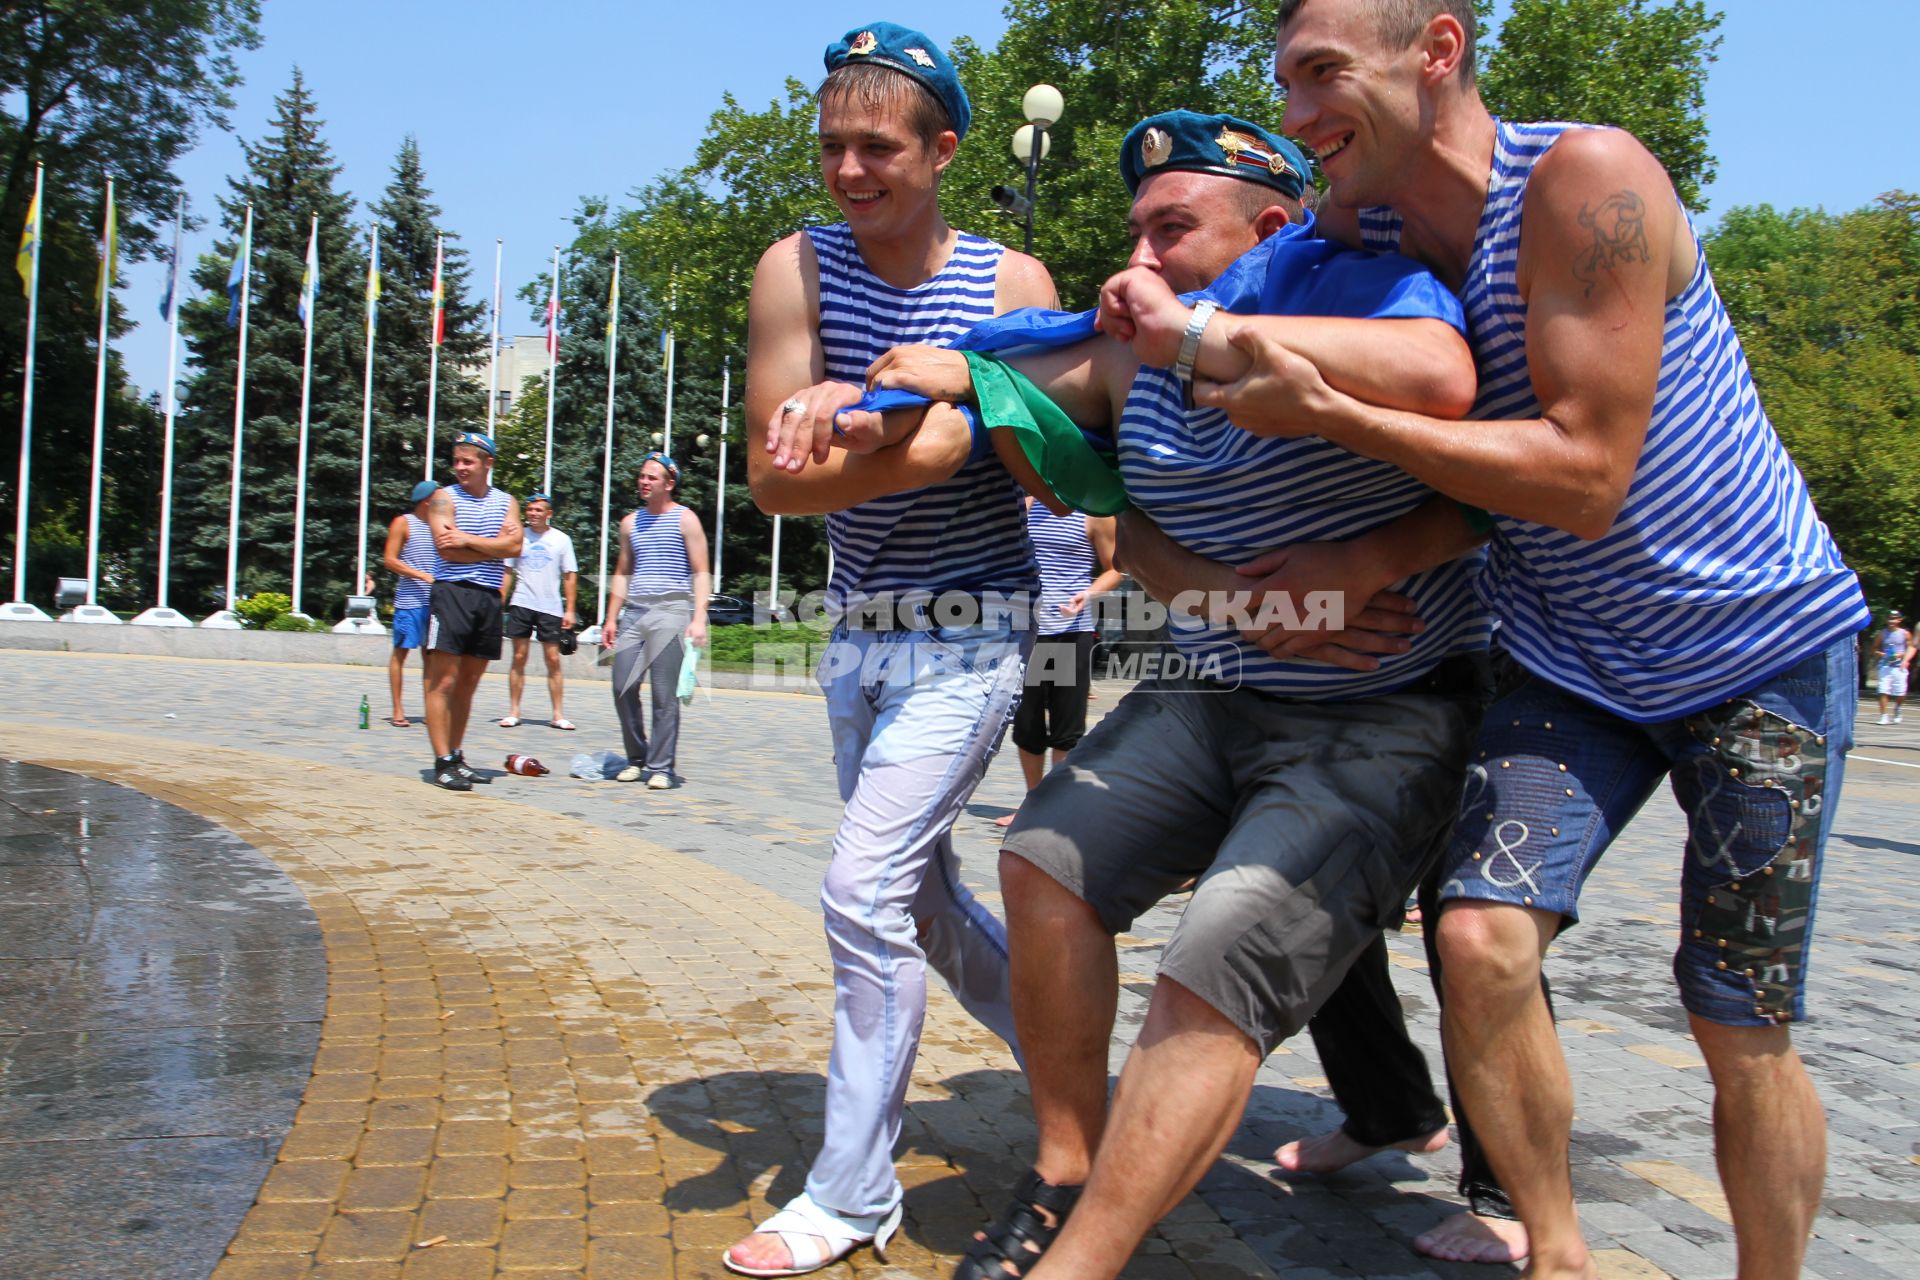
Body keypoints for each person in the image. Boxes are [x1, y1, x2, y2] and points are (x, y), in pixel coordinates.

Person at [1198, 7, 1872, 1278]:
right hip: (1570, 656)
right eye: (1286, 82)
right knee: (1478, 943)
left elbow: (1583, 475)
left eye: (1322, 76)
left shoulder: (1588, 178)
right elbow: (1204, 312)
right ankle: (1555, 1251)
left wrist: (1334, 408)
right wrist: (976, 373)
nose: (1294, 118)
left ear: (1436, 51)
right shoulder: (1370, 223)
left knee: (1738, 1022)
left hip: (1758, 650)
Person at [869, 108, 1494, 1280]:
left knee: (1217, 961)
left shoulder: (1366, 292)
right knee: (1042, 860)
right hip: (1214, 688)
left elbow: (1445, 378)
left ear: (1270, 229)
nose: (1141, 258)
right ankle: (1064, 1167)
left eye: (1174, 228)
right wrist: (885, 393)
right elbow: (1035, 413)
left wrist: (1201, 332)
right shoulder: (1129, 344)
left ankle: (1084, 1260)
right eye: (1136, 230)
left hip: (1384, 706)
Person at [721, 21, 1058, 1277]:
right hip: (860, 634)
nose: (848, 170)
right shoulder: (792, 268)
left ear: (945, 149)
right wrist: (913, 418)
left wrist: (851, 419)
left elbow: (992, 459)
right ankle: (1065, 1045)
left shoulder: (1010, 283)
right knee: (912, 890)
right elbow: (772, 486)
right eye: (831, 147)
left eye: (877, 146)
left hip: (975, 629)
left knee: (860, 892)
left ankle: (850, 1190)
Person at [996, 500, 1124, 828]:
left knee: (1067, 727)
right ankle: (1033, 802)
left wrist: (1088, 593)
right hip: (1027, 633)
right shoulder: (1022, 508)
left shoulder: (1094, 513)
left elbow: (1115, 569)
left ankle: (1055, 807)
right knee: (1027, 723)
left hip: (1071, 633)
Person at [598, 454, 710, 789]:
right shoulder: (630, 523)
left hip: (671, 612)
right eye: (642, 476)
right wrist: (610, 617)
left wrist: (698, 617)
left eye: (652, 478)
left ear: (669, 483)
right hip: (634, 612)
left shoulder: (685, 519)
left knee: (664, 695)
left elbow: (701, 570)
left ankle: (661, 767)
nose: (644, 482)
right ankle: (637, 758)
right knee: (622, 687)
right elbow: (623, 571)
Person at [423, 431, 523, 792]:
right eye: (457, 461)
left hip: (487, 598)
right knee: (443, 680)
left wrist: (468, 540)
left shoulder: (506, 502)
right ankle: (442, 761)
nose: (461, 467)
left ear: (488, 463)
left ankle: (456, 753)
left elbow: (515, 545)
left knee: (468, 683)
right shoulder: (443, 499)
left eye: (469, 461)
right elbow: (446, 550)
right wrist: (493, 547)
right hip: (452, 593)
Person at [499, 492, 579, 731]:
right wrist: (500, 600)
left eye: (539, 510)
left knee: (553, 659)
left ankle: (558, 714)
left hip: (550, 606)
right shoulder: (518, 537)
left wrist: (570, 610)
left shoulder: (562, 540)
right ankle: (514, 711)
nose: (533, 514)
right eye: (530, 510)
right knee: (519, 657)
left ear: (549, 514)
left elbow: (570, 575)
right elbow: (507, 572)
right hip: (522, 602)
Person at [382, 479, 440, 728]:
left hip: (436, 603)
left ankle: (431, 710)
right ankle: (397, 708)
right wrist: (422, 575)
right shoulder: (404, 523)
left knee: (432, 658)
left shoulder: (441, 526)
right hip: (410, 601)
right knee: (401, 653)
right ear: (427, 501)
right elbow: (390, 560)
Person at [1871, 608, 1912, 724]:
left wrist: (1901, 655)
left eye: (1894, 619)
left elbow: (1911, 648)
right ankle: (1884, 715)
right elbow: (1874, 648)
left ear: (1899, 620)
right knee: (1883, 690)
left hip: (1900, 667)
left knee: (1901, 692)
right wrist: (1882, 654)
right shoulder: (1882, 633)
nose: (1891, 621)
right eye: (1889, 618)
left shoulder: (1905, 633)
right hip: (1885, 666)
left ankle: (1898, 708)